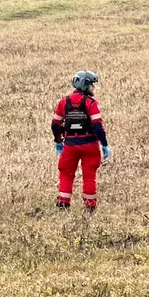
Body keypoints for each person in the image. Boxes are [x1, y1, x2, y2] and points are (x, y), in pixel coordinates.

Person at [51, 71, 111, 210]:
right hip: (90, 145)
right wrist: (105, 145)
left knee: (66, 173)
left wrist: (58, 141)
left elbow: (55, 125)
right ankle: (90, 206)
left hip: (70, 145)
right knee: (89, 176)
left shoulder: (64, 102)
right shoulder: (91, 103)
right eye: (91, 85)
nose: (93, 88)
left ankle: (63, 203)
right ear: (85, 85)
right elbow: (97, 126)